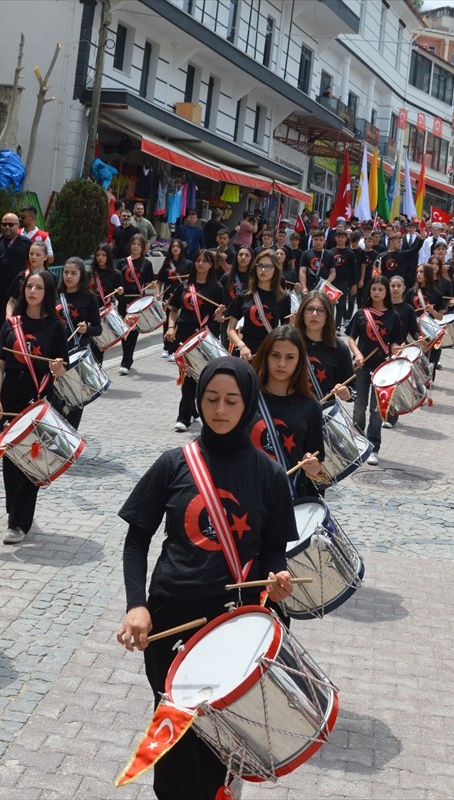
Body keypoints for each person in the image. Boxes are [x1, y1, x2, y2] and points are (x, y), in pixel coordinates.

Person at [115, 356, 297, 800]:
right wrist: (136, 604)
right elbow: (137, 540)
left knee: (221, 731)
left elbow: (274, 548)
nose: (219, 410)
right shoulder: (173, 463)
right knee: (177, 728)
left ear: (248, 403)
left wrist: (275, 578)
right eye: (211, 399)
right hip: (170, 617)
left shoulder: (269, 473)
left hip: (232, 621)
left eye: (231, 400)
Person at [0, 269, 69, 544]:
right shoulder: (12, 325)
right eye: (29, 287)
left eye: (39, 288)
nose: (32, 292)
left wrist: (59, 368)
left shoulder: (56, 327)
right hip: (10, 399)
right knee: (11, 459)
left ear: (47, 293)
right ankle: (15, 510)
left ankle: (19, 523)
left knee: (32, 462)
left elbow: (62, 368)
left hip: (40, 400)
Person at [251, 325, 325, 498]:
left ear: (300, 361)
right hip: (249, 494)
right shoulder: (247, 398)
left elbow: (317, 455)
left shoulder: (311, 406)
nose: (281, 363)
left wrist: (314, 465)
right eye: (275, 355)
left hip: (289, 497)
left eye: (290, 357)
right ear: (265, 356)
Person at [346, 275, 406, 464]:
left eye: (380, 289)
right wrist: (357, 354)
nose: (377, 293)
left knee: (376, 410)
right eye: (374, 289)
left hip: (383, 369)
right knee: (359, 407)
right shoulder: (362, 313)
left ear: (386, 291)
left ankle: (373, 447)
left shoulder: (393, 315)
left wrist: (396, 349)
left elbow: (395, 341)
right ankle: (357, 442)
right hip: (362, 366)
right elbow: (350, 339)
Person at [167, 249, 226, 432]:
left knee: (199, 377)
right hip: (184, 334)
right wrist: (170, 327)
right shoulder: (184, 285)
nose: (200, 264)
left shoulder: (217, 288)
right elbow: (174, 309)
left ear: (211, 265)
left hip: (205, 335)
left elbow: (220, 317)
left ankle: (187, 414)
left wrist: (218, 315)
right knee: (188, 376)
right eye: (198, 260)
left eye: (205, 261)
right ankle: (187, 413)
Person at [55, 257, 102, 430]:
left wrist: (87, 329)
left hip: (77, 352)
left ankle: (71, 434)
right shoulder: (56, 296)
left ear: (81, 275)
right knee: (56, 398)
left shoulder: (89, 298)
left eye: (73, 273)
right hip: (57, 353)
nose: (68, 276)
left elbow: (98, 329)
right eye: (66, 272)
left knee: (76, 398)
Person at [226, 250, 292, 363]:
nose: (263, 270)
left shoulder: (284, 297)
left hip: (269, 350)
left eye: (268, 266)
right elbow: (230, 329)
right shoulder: (244, 295)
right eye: (260, 265)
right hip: (245, 353)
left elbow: (286, 330)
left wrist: (293, 322)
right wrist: (241, 346)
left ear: (275, 270)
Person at [292, 290, 353, 403]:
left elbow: (352, 387)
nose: (314, 314)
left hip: (323, 412)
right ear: (302, 313)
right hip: (291, 409)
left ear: (328, 315)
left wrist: (347, 392)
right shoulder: (289, 341)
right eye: (309, 309)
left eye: (321, 310)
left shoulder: (340, 348)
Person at [0, 211, 32, 340]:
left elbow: (34, 261)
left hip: (15, 293)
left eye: (11, 224)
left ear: (18, 225)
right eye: (4, 224)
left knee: (12, 324)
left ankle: (10, 352)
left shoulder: (26, 243)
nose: (7, 227)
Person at [116, 234, 156, 376]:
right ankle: (127, 358)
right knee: (124, 332)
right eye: (133, 243)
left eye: (139, 244)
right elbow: (117, 282)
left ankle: (126, 362)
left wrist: (151, 299)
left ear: (143, 247)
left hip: (138, 301)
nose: (135, 246)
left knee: (133, 332)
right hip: (123, 300)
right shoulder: (122, 263)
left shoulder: (147, 264)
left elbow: (149, 284)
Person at [160, 239, 192, 360]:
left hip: (181, 295)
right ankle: (166, 347)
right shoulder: (167, 263)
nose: (175, 249)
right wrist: (158, 294)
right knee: (167, 321)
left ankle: (174, 348)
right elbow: (159, 280)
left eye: (178, 246)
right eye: (173, 246)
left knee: (179, 322)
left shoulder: (188, 264)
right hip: (168, 296)